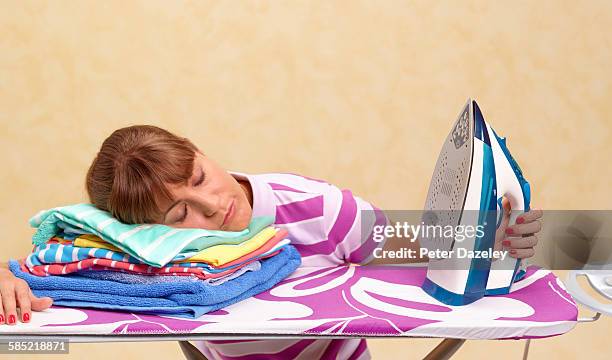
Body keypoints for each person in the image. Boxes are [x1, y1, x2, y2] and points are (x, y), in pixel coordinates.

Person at [0, 125, 542, 359]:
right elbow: (58, 266)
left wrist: (502, 239)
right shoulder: (145, 246)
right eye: (181, 213)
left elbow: (421, 244)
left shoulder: (314, 208)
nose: (213, 205)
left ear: (201, 151)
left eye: (198, 178)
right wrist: (7, 277)